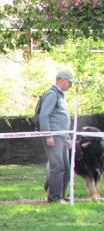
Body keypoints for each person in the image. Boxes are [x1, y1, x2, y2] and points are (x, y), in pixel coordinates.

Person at [38, 70, 77, 204]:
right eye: (70, 82)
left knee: (65, 167)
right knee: (58, 167)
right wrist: (48, 135)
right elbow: (44, 116)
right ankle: (54, 198)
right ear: (63, 80)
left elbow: (62, 119)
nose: (70, 86)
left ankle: (61, 195)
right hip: (54, 136)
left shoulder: (60, 96)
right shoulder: (52, 94)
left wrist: (68, 138)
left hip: (62, 137)